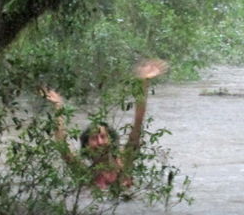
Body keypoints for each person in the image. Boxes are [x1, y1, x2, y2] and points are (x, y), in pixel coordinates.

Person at [42, 59, 168, 190]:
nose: (100, 142)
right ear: (86, 146)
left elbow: (137, 124)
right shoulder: (85, 173)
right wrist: (58, 106)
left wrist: (144, 83)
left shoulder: (124, 162)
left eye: (103, 136)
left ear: (111, 140)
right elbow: (63, 148)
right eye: (94, 138)